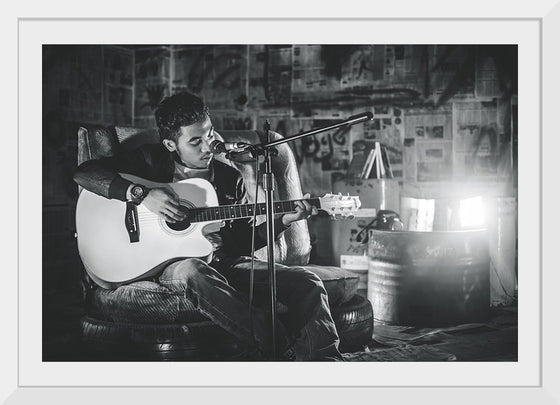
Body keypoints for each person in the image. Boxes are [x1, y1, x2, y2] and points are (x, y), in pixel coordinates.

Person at [73, 91, 343, 361]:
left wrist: (281, 221)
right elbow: (85, 173)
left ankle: (326, 364)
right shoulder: (148, 161)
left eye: (210, 134)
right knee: (193, 269)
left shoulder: (228, 177)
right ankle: (280, 350)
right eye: (195, 141)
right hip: (170, 265)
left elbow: (241, 240)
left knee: (307, 281)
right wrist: (141, 194)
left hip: (222, 262)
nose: (208, 147)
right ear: (170, 144)